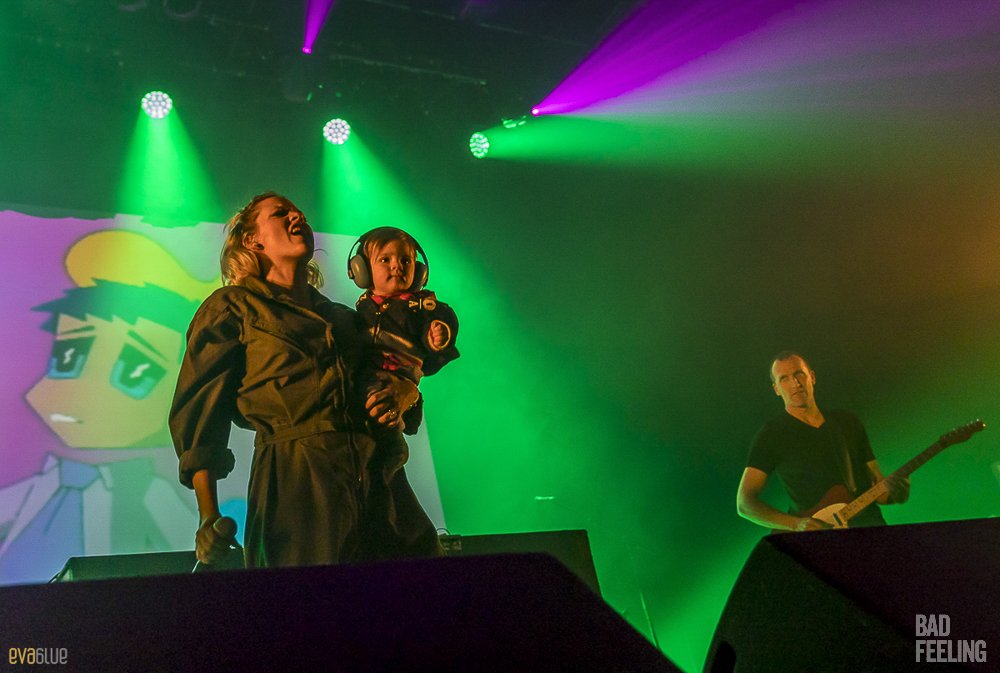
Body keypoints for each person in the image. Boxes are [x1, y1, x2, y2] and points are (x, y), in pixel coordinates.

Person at [169, 192, 441, 568]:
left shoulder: (347, 319)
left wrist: (405, 391)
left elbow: (399, 379)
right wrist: (208, 516)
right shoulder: (232, 307)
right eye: (281, 213)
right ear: (252, 240)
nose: (297, 216)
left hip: (384, 488)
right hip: (296, 491)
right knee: (308, 603)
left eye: (299, 213)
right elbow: (199, 413)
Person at [736, 351, 910, 531]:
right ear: (776, 389)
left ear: (812, 377)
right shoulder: (771, 435)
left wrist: (896, 493)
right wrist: (796, 524)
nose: (795, 383)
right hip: (822, 539)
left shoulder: (848, 422)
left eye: (799, 374)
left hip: (869, 528)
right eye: (784, 379)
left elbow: (878, 490)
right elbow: (744, 504)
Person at [348, 226, 460, 481]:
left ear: (419, 272)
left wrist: (438, 334)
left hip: (396, 376)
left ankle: (393, 449)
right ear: (361, 270)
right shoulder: (363, 307)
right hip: (370, 373)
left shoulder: (419, 306)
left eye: (406, 261)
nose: (396, 266)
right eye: (385, 260)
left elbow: (441, 319)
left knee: (380, 410)